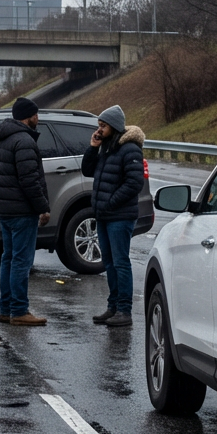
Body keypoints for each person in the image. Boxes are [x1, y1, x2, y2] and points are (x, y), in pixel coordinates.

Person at [82, 105, 145, 328]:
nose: (99, 129)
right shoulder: (107, 148)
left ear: (115, 127)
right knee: (108, 262)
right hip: (105, 216)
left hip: (120, 216)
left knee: (120, 263)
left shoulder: (130, 149)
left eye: (103, 126)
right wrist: (92, 147)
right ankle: (113, 306)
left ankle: (125, 310)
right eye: (98, 125)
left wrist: (110, 202)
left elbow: (135, 183)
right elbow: (87, 170)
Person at [0, 97, 51, 327]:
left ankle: (6, 309)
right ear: (29, 116)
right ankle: (19, 310)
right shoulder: (24, 140)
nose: (38, 118)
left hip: (4, 210)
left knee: (8, 259)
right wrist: (42, 208)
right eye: (36, 114)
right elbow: (29, 180)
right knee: (21, 262)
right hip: (22, 210)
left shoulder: (1, 138)